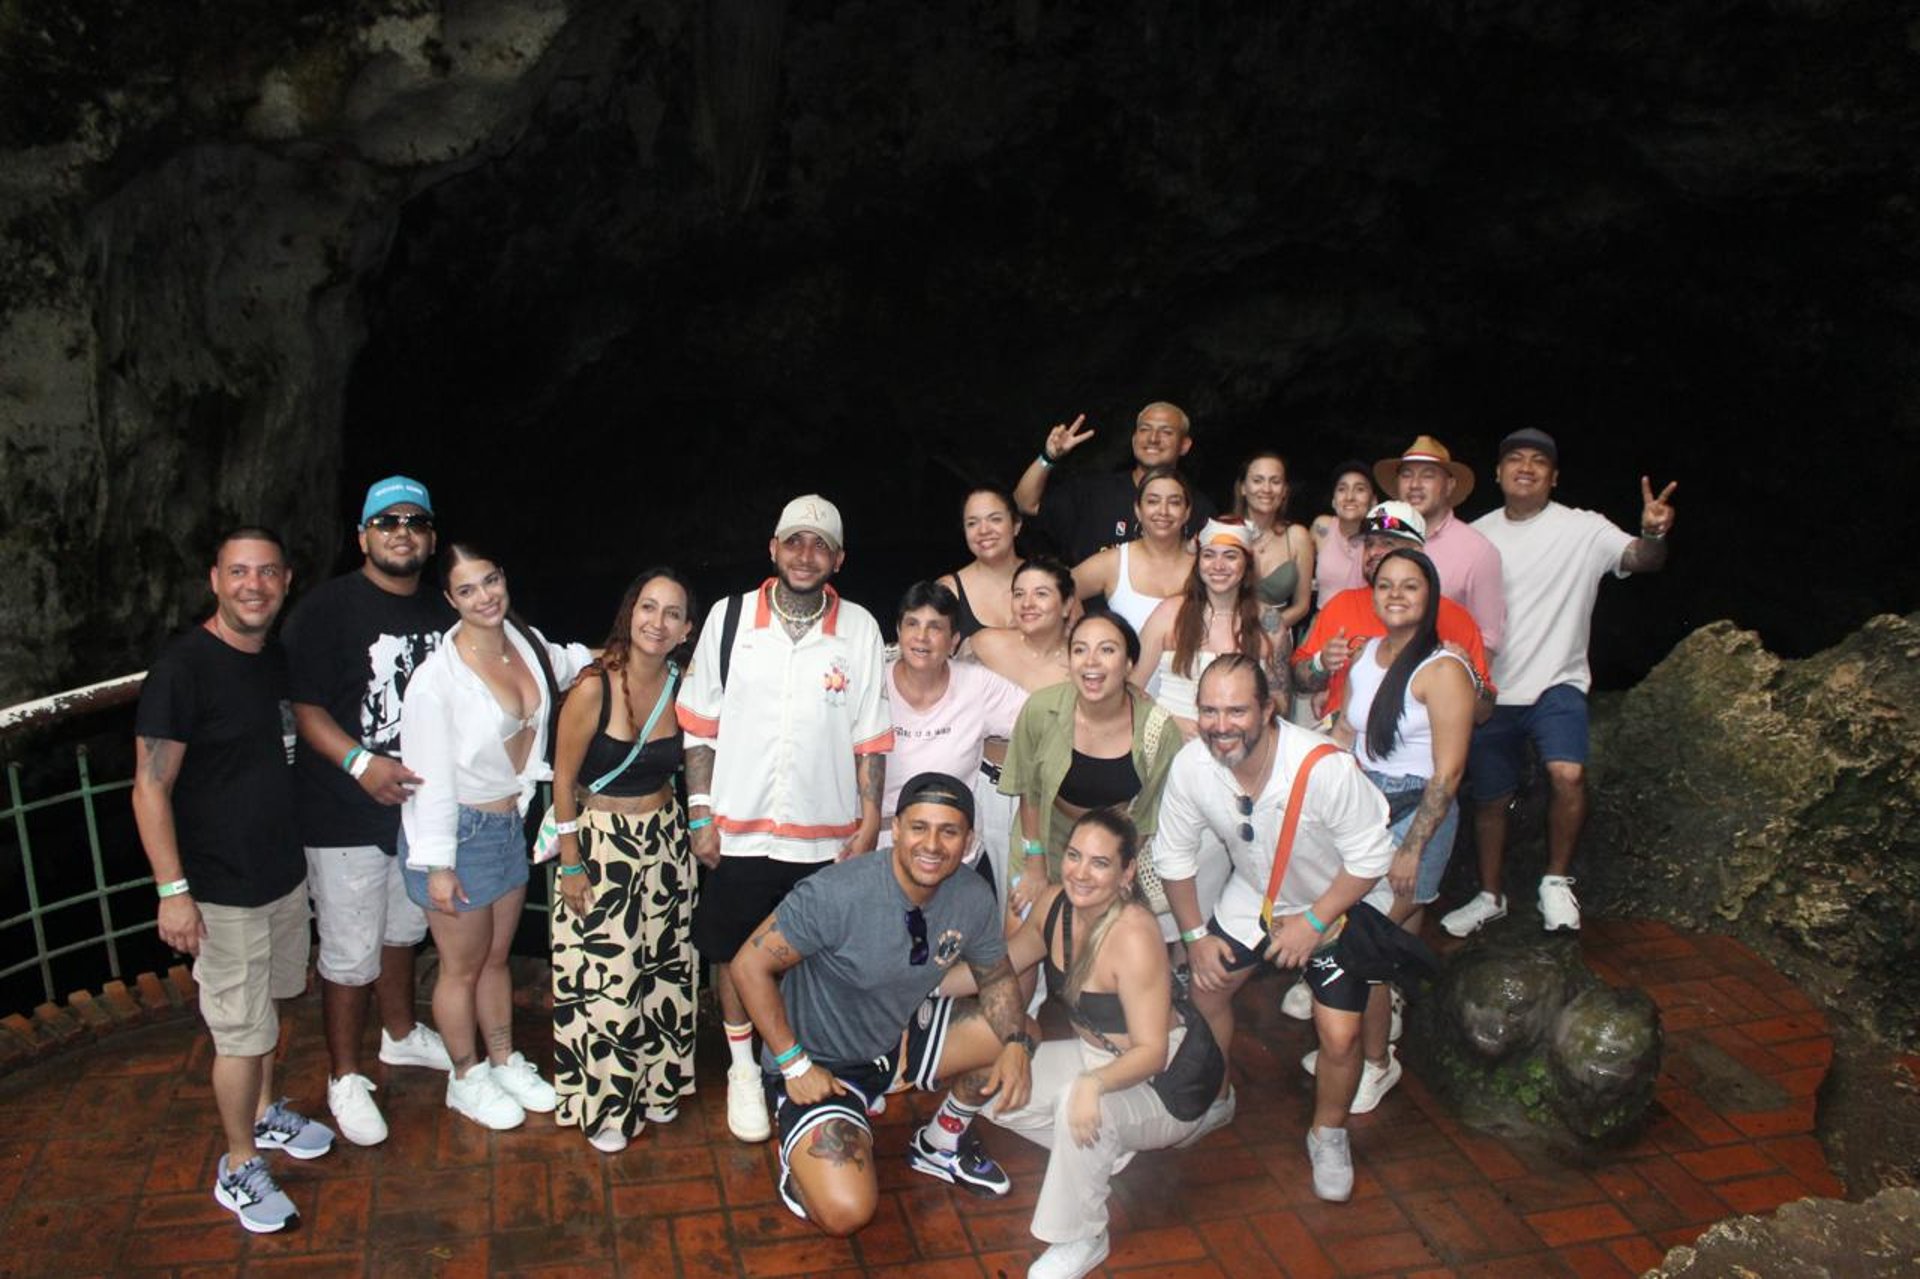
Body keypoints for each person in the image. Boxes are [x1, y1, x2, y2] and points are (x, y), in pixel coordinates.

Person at [132, 526, 335, 1234]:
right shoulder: (183, 669)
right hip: (222, 889)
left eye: (269, 573)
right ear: (214, 580)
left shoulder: (272, 658)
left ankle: (264, 1112)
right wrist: (172, 890)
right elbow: (150, 787)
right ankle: (239, 1161)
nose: (255, 585)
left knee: (274, 1005)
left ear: (286, 581)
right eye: (240, 572)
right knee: (240, 1034)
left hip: (279, 873)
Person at [730, 773, 1036, 1236]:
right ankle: (803, 1158)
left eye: (949, 831)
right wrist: (794, 1066)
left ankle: (941, 1142)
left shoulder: (971, 896)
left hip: (899, 1039)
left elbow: (993, 975)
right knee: (847, 1212)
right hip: (822, 1067)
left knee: (1024, 1033)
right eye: (919, 827)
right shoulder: (836, 892)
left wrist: (1013, 1040)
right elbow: (748, 966)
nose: (931, 844)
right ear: (897, 830)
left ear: (968, 840)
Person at [676, 494, 894, 1145]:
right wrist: (700, 814)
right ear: (774, 548)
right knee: (733, 951)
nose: (806, 554)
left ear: (838, 558)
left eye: (820, 544)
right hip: (739, 830)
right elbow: (699, 727)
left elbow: (871, 736)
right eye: (794, 540)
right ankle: (745, 1068)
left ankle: (794, 1060)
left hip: (824, 835)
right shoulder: (731, 616)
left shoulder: (858, 627)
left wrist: (871, 817)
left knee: (813, 956)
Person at [1156, 655, 1397, 1202]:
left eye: (1238, 710)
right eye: (1210, 710)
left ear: (1269, 709)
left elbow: (1369, 857)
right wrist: (1195, 938)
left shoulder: (1323, 767)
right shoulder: (1194, 765)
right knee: (1207, 986)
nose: (1222, 725)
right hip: (1260, 895)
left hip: (1341, 903)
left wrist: (1314, 923)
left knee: (1339, 1033)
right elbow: (1173, 857)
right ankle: (1217, 1096)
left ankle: (1328, 1132)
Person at [1442, 430, 1678, 936]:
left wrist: (1654, 533)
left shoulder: (1583, 529)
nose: (1525, 467)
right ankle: (1490, 895)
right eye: (1514, 459)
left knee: (1568, 774)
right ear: (1498, 474)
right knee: (1488, 797)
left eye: (1538, 462)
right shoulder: (1477, 537)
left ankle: (1554, 881)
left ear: (1554, 477)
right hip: (1493, 688)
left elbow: (1640, 559)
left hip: (1558, 682)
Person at [281, 475, 453, 1148]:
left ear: (430, 537)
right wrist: (361, 763)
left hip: (419, 811)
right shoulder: (326, 610)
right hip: (343, 810)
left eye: (414, 521)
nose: (401, 531)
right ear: (364, 536)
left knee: (404, 930)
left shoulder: (445, 611)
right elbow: (305, 704)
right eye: (387, 522)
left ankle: (402, 1033)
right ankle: (344, 1074)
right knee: (350, 952)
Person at [399, 541, 590, 1130]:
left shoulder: (524, 644)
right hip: (458, 831)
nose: (484, 597)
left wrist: (645, 654)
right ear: (449, 600)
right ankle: (466, 1075)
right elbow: (424, 778)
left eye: (490, 581)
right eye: (467, 590)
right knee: (459, 966)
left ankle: (504, 1060)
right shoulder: (437, 680)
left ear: (504, 578)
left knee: (496, 958)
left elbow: (572, 660)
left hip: (509, 824)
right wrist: (437, 865)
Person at [986, 808, 1220, 1279]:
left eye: (1100, 862)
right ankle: (1100, 1147)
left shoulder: (1134, 934)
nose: (1081, 872)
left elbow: (1151, 1051)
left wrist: (1091, 1086)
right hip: (1102, 1058)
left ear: (1126, 871)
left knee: (1078, 1100)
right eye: (1074, 855)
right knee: (998, 1094)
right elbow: (1002, 964)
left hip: (1165, 1083)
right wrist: (926, 981)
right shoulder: (1055, 904)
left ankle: (1084, 1236)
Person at [1302, 549, 1474, 1113]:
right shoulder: (1368, 654)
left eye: (1410, 587)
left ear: (1431, 599)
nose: (1396, 595)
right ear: (1372, 592)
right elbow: (1349, 730)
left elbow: (1448, 771)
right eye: (1386, 586)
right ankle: (1355, 1040)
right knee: (1365, 933)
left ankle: (1376, 1062)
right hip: (1366, 806)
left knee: (1361, 941)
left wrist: (1413, 849)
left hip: (1416, 814)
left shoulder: (1444, 670)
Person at [548, 568, 698, 1152]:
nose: (657, 623)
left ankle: (659, 1088)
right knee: (606, 980)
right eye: (648, 608)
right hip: (601, 844)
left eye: (672, 613)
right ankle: (608, 1107)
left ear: (686, 629)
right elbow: (563, 777)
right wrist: (569, 859)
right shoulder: (594, 686)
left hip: (664, 842)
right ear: (630, 613)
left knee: (662, 973)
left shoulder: (684, 686)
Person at [999, 613, 1179, 930]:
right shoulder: (1041, 709)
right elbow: (1030, 790)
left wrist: (1119, 869)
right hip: (1042, 836)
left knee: (1093, 952)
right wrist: (1035, 864)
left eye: (1107, 650)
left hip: (1110, 848)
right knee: (1019, 943)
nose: (1091, 662)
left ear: (1128, 664)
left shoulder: (1158, 729)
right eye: (1080, 650)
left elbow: (1150, 814)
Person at [885, 582, 1028, 905]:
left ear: (953, 642)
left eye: (935, 627)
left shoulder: (975, 684)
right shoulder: (872, 684)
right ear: (898, 632)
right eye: (912, 624)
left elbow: (1040, 722)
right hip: (880, 851)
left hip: (953, 861)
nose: (921, 637)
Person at [1293, 502, 1495, 722]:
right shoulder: (1341, 605)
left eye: (1387, 543)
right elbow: (1299, 680)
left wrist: (1468, 676)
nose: (1373, 552)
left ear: (1418, 552)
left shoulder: (1456, 618)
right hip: (1343, 741)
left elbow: (1483, 714)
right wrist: (1321, 663)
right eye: (1369, 544)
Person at [1013, 402, 1217, 563]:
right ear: (1134, 439)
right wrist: (1048, 457)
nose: (1153, 438)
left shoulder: (1199, 508)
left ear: (1184, 445)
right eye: (1145, 429)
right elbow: (1025, 504)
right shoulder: (1093, 492)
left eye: (1166, 431)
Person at [1134, 517, 1279, 738]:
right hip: (1169, 741)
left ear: (1247, 564)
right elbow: (1131, 689)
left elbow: (1280, 700)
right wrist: (1167, 722)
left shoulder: (1269, 621)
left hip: (1239, 748)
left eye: (1230, 556)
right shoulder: (1169, 614)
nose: (1218, 565)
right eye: (1209, 555)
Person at [1374, 436, 1506, 654]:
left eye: (1428, 475)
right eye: (1407, 475)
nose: (1415, 485)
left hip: (1441, 679)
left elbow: (1488, 642)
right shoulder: (1377, 541)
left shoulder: (1478, 551)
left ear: (1449, 485)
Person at [1070, 466, 1197, 636]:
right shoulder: (1114, 562)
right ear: (1138, 510)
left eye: (1174, 502)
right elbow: (1055, 590)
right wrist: (1082, 636)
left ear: (1187, 512)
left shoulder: (1207, 562)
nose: (1163, 511)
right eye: (1153, 501)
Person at [1233, 452, 1316, 641]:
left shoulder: (1297, 536)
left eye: (1275, 481)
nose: (1267, 489)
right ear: (1243, 488)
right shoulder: (1225, 531)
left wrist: (1265, 631)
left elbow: (1302, 606)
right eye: (1257, 480)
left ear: (1285, 490)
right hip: (1226, 636)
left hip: (1274, 637)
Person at [967, 557, 1076, 693]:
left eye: (1041, 594)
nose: (1027, 604)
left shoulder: (1081, 663)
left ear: (1067, 604)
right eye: (1019, 594)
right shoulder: (987, 644)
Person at [936, 486, 1024, 639]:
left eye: (995, 519)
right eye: (972, 523)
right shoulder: (947, 590)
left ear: (1016, 525)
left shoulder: (1050, 577)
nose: (983, 530)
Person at [1311, 459, 1378, 607]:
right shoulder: (1322, 527)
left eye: (1359, 489)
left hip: (1366, 626)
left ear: (1373, 501)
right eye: (1342, 489)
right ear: (1334, 501)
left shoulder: (1381, 540)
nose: (1349, 497)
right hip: (1324, 624)